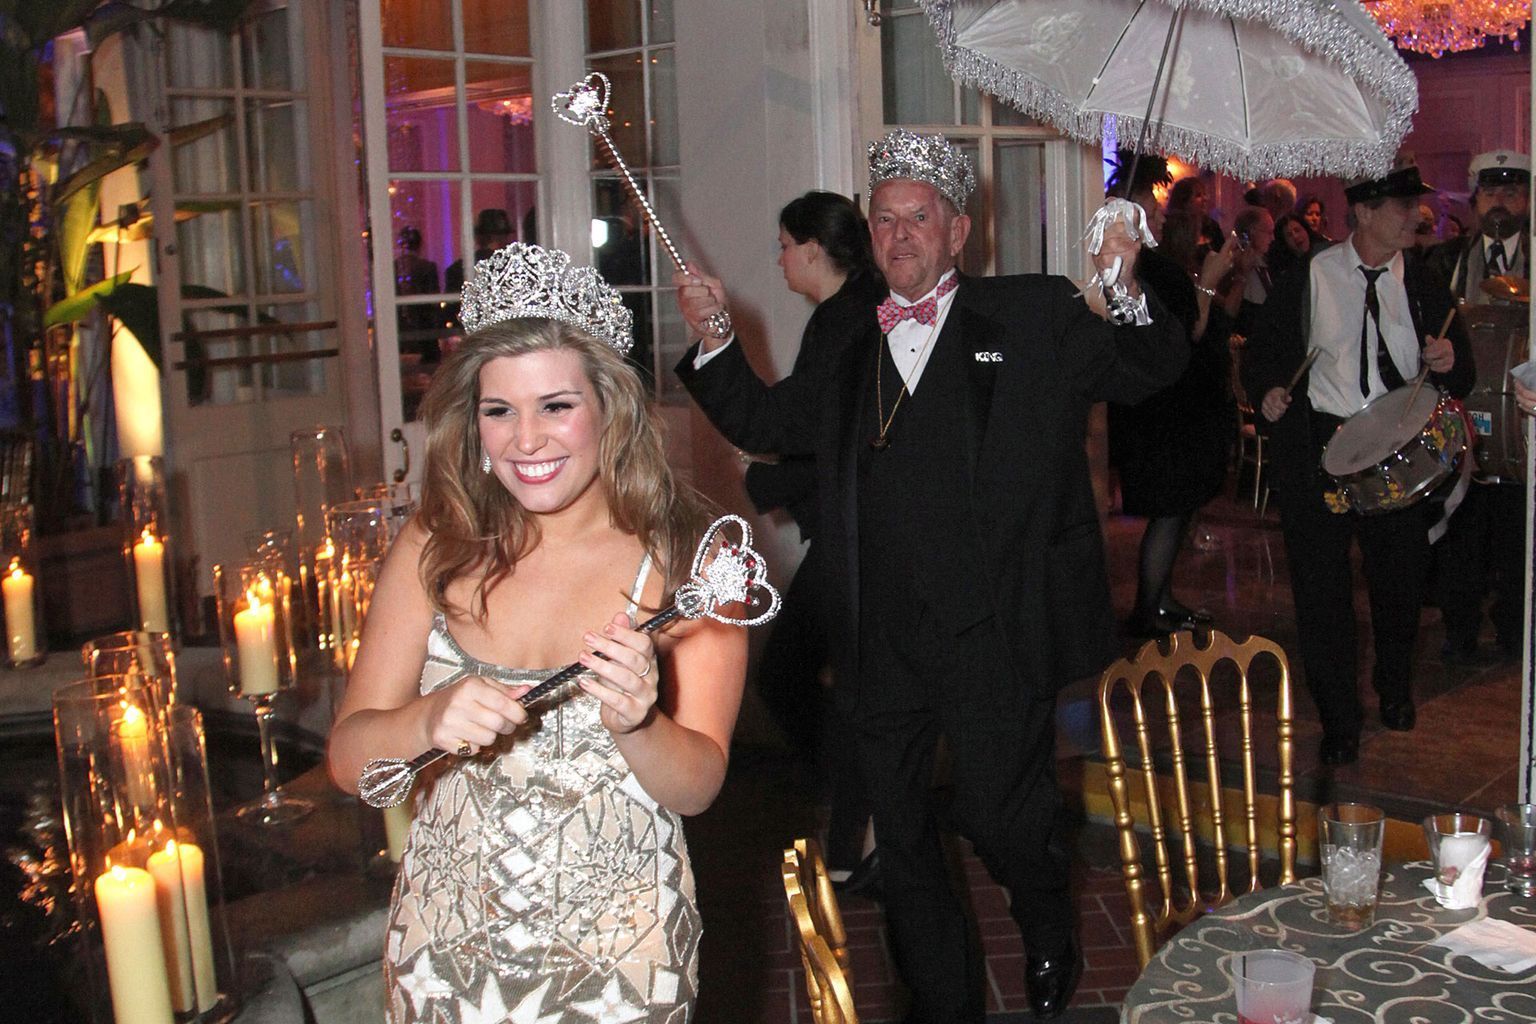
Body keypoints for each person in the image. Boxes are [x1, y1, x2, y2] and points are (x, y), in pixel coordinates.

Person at [673, 129, 1186, 1022]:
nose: (899, 234)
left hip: (995, 628)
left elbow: (1147, 368)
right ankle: (945, 1001)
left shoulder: (1032, 314)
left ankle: (1045, 918)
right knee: (902, 835)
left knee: (999, 817)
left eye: (919, 217)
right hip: (882, 634)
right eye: (884, 220)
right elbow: (763, 415)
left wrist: (1126, 283)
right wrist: (716, 339)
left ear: (958, 232)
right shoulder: (846, 343)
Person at [327, 242, 747, 1023]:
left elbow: (697, 786)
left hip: (622, 964)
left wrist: (638, 722)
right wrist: (427, 718)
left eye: (556, 405)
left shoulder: (693, 560)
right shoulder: (434, 543)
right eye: (499, 410)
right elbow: (351, 760)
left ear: (610, 408)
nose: (526, 441)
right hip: (444, 954)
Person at [683, 190, 886, 889]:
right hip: (857, 533)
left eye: (782, 244)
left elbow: (773, 422)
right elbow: (821, 433)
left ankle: (868, 828)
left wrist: (716, 335)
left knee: (800, 679)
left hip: (865, 542)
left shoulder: (846, 321)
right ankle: (865, 825)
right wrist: (770, 475)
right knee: (826, 686)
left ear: (811, 249)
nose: (776, 259)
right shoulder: (852, 312)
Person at [1242, 160, 1473, 767]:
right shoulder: (1308, 277)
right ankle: (1340, 717)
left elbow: (1465, 372)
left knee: (1399, 584)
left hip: (1394, 451)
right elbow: (1260, 357)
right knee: (1321, 593)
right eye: (1401, 207)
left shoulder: (1423, 283)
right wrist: (1267, 391)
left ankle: (1395, 690)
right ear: (1364, 213)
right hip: (1318, 448)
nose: (1415, 216)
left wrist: (1449, 359)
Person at [1426, 149, 1531, 662]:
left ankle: (1515, 626)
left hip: (1523, 424)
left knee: (1518, 536)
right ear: (1475, 201)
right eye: (1492, 192)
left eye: (1512, 192)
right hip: (1463, 416)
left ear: (1528, 200)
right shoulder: (1447, 260)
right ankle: (1460, 628)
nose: (1501, 202)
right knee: (1461, 531)